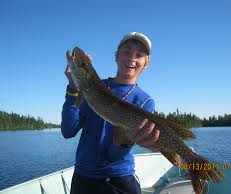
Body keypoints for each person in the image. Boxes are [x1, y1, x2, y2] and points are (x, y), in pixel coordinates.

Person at [61, 32, 160, 194]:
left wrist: (126, 141)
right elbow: (68, 130)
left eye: (139, 55)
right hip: (83, 179)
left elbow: (113, 156)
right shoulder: (92, 89)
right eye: (127, 51)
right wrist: (73, 88)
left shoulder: (144, 101)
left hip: (118, 181)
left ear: (145, 63)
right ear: (116, 56)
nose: (132, 58)